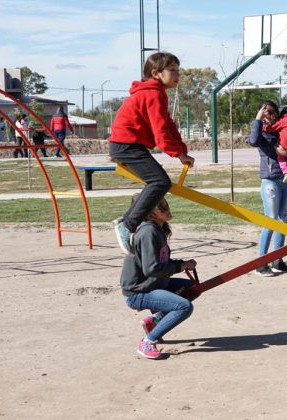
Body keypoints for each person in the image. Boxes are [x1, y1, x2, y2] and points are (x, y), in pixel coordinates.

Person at [109, 51, 195, 256]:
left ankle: (126, 220)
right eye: (172, 70)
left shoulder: (156, 93)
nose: (177, 74)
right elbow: (160, 132)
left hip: (129, 145)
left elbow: (169, 124)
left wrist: (181, 149)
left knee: (156, 182)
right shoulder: (153, 93)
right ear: (156, 73)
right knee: (159, 182)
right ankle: (127, 224)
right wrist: (178, 154)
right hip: (126, 145)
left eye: (178, 70)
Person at [120, 195, 197, 359]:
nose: (166, 209)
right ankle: (147, 342)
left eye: (165, 203)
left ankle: (155, 321)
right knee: (184, 307)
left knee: (193, 288)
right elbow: (152, 269)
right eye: (159, 206)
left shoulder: (158, 229)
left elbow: (161, 261)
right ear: (148, 213)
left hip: (154, 285)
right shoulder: (148, 232)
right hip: (139, 292)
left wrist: (182, 263)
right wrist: (179, 267)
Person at [248, 100, 287, 276]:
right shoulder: (260, 131)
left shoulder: (284, 129)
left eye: (273, 111)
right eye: (265, 111)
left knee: (283, 220)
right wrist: (257, 120)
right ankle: (261, 263)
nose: (270, 114)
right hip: (271, 181)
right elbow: (253, 141)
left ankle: (278, 261)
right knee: (271, 220)